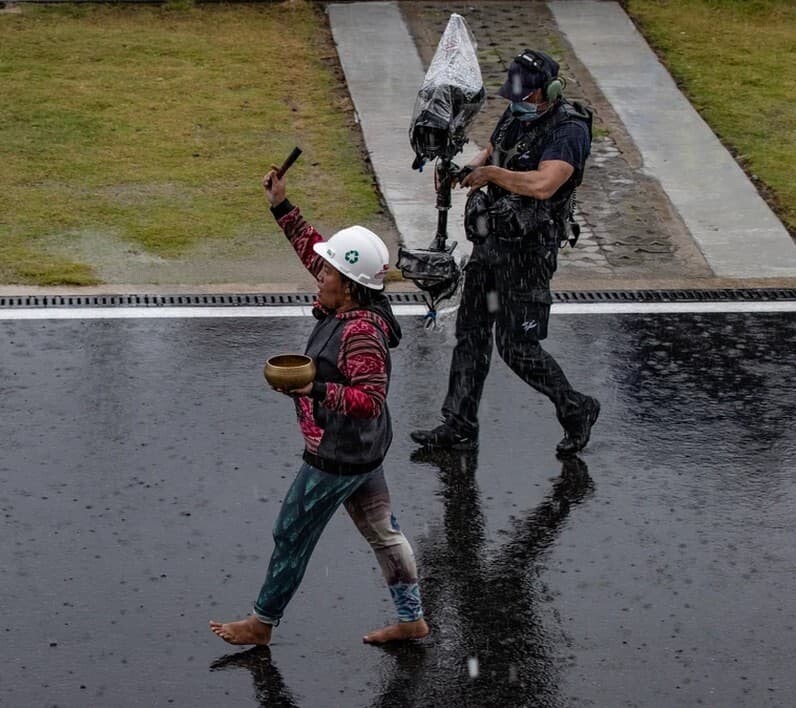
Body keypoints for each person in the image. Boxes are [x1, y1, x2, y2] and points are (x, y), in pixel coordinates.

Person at [209, 167, 428, 647]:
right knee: (383, 533)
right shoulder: (347, 300)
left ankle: (262, 622)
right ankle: (412, 619)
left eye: (328, 271)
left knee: (291, 532)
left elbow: (369, 402)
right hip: (363, 452)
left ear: (348, 285)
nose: (319, 273)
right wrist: (281, 206)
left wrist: (312, 392)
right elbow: (315, 250)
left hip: (339, 454)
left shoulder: (361, 333)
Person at [412, 49, 600, 456]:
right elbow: (492, 152)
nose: (516, 103)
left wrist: (492, 175)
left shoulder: (569, 131)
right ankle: (458, 424)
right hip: (492, 243)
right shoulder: (516, 114)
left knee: (517, 347)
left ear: (548, 91)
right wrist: (464, 172)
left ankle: (576, 408)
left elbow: (544, 185)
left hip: (529, 255)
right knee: (471, 333)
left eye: (524, 96)